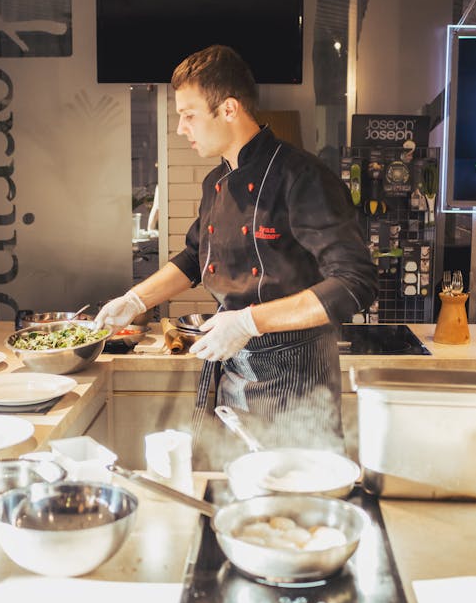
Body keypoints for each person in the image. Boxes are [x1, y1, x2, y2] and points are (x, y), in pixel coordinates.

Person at [95, 44, 378, 456]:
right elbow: (195, 257)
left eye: (188, 116)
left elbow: (355, 283)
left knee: (290, 504)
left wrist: (248, 322)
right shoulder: (216, 180)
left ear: (228, 109)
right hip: (235, 370)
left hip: (296, 382)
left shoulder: (301, 177)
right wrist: (135, 299)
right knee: (237, 492)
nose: (180, 129)